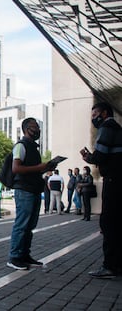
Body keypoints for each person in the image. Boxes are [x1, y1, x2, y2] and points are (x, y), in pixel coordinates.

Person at [7, 117, 56, 270]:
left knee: (30, 225)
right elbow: (16, 168)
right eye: (34, 127)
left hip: (33, 189)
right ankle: (14, 257)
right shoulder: (21, 146)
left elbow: (33, 168)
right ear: (26, 129)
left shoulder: (33, 147)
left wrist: (45, 167)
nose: (38, 130)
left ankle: (24, 255)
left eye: (38, 127)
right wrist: (39, 167)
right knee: (22, 224)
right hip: (24, 190)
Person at [80, 102, 122, 279]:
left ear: (104, 113)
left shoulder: (106, 127)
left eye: (94, 114)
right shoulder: (118, 128)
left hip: (113, 180)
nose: (93, 119)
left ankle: (110, 266)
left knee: (108, 222)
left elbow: (101, 155)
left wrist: (88, 157)